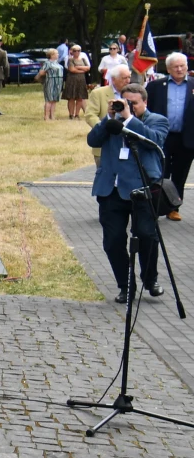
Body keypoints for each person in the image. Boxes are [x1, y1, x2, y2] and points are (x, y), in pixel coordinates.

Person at [88, 83, 169, 302]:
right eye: (125, 102)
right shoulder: (112, 123)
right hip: (111, 190)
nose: (128, 107)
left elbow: (156, 141)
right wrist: (108, 118)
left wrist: (129, 119)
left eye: (133, 103)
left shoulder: (156, 120)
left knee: (146, 235)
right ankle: (125, 286)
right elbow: (92, 140)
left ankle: (150, 279)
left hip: (142, 188)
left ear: (145, 102)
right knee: (113, 241)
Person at [147, 52, 194, 216]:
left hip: (186, 138)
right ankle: (157, 206)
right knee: (160, 173)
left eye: (183, 66)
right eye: (176, 66)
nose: (180, 69)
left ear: (187, 67)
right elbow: (148, 110)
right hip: (162, 137)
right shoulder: (155, 86)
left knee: (180, 175)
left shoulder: (193, 85)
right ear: (168, 69)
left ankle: (174, 208)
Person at [85, 64, 132, 167]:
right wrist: (104, 127)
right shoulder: (98, 93)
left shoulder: (134, 93)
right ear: (113, 79)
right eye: (124, 78)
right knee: (104, 179)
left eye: (129, 77)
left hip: (128, 144)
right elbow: (90, 115)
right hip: (105, 144)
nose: (128, 81)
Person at [63, 44, 90, 119]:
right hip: (72, 80)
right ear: (72, 52)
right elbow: (71, 69)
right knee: (71, 97)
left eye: (78, 51)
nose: (77, 52)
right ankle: (71, 114)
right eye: (75, 51)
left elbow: (88, 68)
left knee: (80, 97)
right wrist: (82, 70)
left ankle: (77, 114)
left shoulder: (83, 59)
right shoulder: (70, 59)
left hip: (81, 80)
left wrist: (78, 67)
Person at [37, 48, 65, 120]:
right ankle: (46, 116)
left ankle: (52, 116)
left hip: (58, 82)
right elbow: (41, 72)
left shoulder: (56, 63)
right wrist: (48, 74)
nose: (58, 55)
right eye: (56, 53)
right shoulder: (47, 63)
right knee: (49, 99)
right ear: (52, 55)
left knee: (54, 99)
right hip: (51, 81)